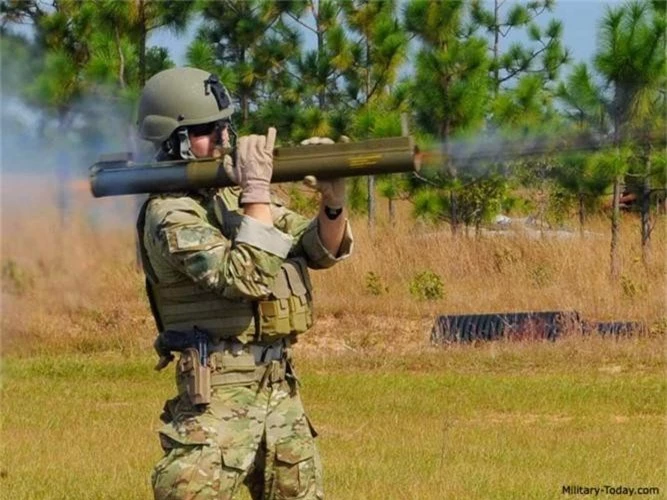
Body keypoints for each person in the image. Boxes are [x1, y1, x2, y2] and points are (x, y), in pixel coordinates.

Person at [136, 67, 353, 499]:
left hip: (279, 391)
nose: (222, 139)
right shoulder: (169, 215)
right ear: (172, 138)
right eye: (204, 131)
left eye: (224, 126)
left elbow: (315, 250)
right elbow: (246, 277)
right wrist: (256, 189)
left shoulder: (236, 197)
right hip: (215, 401)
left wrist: (334, 201)